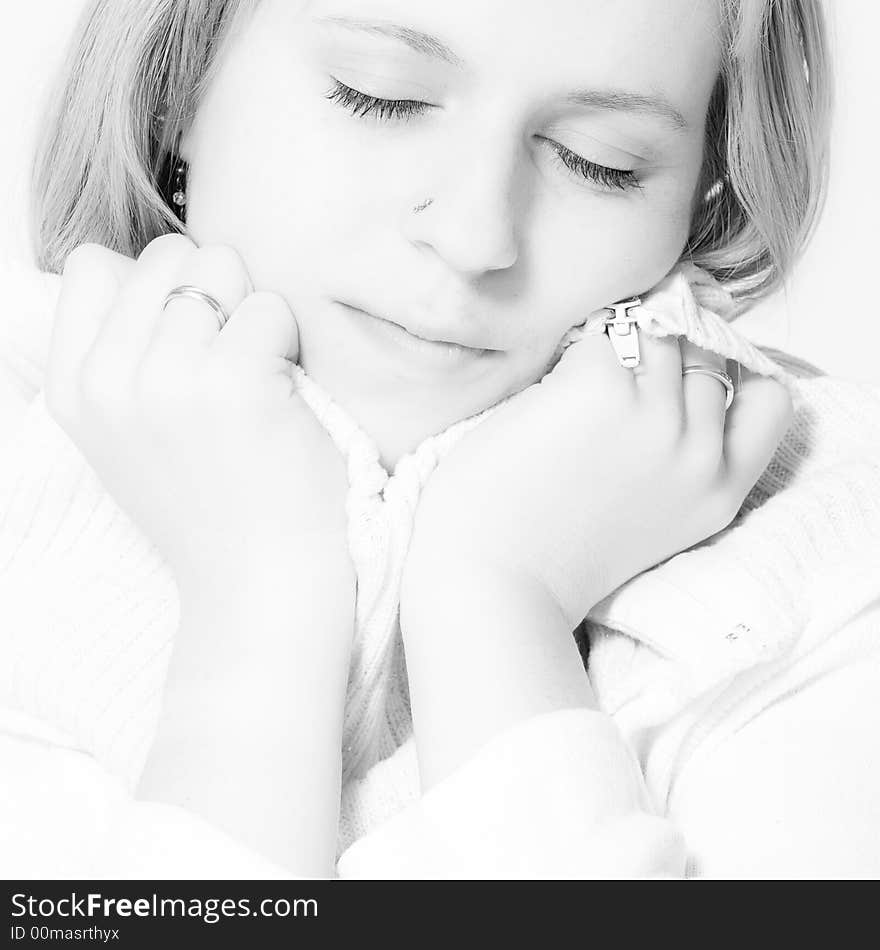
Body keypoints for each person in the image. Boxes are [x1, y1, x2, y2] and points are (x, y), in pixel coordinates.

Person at [1, 0, 878, 879]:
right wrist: (261, 598)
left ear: (700, 193)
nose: (474, 237)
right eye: (378, 97)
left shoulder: (830, 555)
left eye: (598, 162)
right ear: (176, 87)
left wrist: (497, 600)